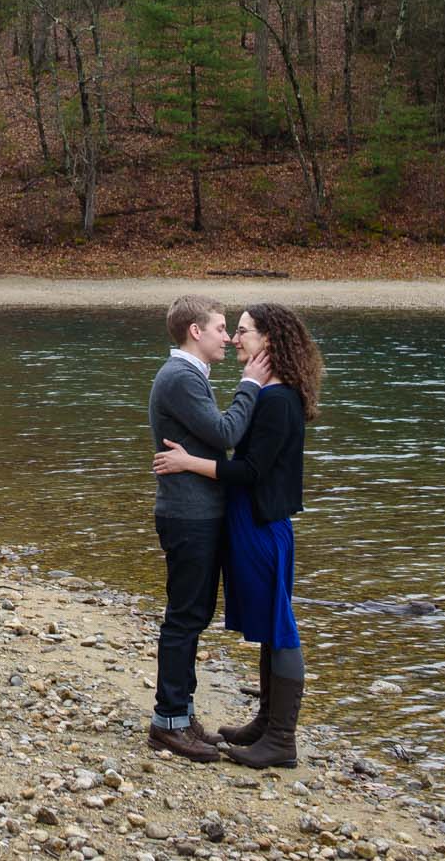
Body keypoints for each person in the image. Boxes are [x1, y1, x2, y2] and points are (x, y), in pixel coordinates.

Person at [152, 302, 323, 770]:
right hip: (251, 521)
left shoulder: (276, 398)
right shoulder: (263, 394)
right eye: (228, 329)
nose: (233, 338)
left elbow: (248, 468)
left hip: (262, 524)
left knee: (279, 626)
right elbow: (238, 449)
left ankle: (279, 737)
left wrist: (189, 463)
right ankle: (264, 725)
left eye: (242, 330)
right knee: (268, 625)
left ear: (268, 341)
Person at [145, 294, 269, 763]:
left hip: (196, 511)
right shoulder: (180, 376)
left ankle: (183, 714)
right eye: (221, 327)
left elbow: (213, 439)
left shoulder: (188, 375)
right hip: (188, 515)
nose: (229, 336)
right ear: (195, 331)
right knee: (185, 617)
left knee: (193, 615)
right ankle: (167, 722)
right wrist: (250, 384)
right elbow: (225, 434)